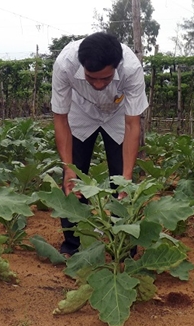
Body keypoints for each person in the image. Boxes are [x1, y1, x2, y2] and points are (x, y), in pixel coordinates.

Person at [51, 32, 149, 256]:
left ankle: (123, 248)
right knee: (73, 179)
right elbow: (60, 118)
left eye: (104, 79)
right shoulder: (65, 64)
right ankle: (74, 247)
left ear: (116, 66)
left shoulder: (131, 68)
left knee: (122, 183)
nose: (97, 84)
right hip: (80, 112)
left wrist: (126, 178)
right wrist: (68, 170)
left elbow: (133, 124)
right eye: (91, 77)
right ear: (82, 66)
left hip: (118, 114)